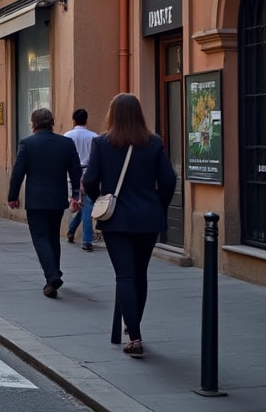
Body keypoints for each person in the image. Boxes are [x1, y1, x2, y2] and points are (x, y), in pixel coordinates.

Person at [83, 93, 177, 359]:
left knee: (124, 275)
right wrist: (157, 204)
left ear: (112, 115)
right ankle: (133, 324)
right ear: (139, 114)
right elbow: (169, 180)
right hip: (147, 218)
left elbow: (89, 180)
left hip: (116, 219)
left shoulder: (102, 143)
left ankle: (134, 336)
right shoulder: (153, 142)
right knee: (140, 273)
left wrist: (101, 198)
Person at [7, 108, 83, 298]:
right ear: (51, 122)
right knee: (53, 237)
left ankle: (52, 275)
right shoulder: (66, 143)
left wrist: (12, 196)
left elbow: (18, 172)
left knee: (40, 237)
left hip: (36, 200)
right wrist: (76, 194)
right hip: (57, 199)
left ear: (34, 123)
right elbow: (75, 171)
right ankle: (53, 276)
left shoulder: (27, 144)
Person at [64, 108, 99, 250]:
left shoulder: (67, 136)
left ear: (73, 120)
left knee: (83, 206)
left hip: (72, 176)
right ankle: (86, 240)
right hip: (89, 175)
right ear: (86, 119)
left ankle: (72, 230)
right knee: (87, 206)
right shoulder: (94, 137)